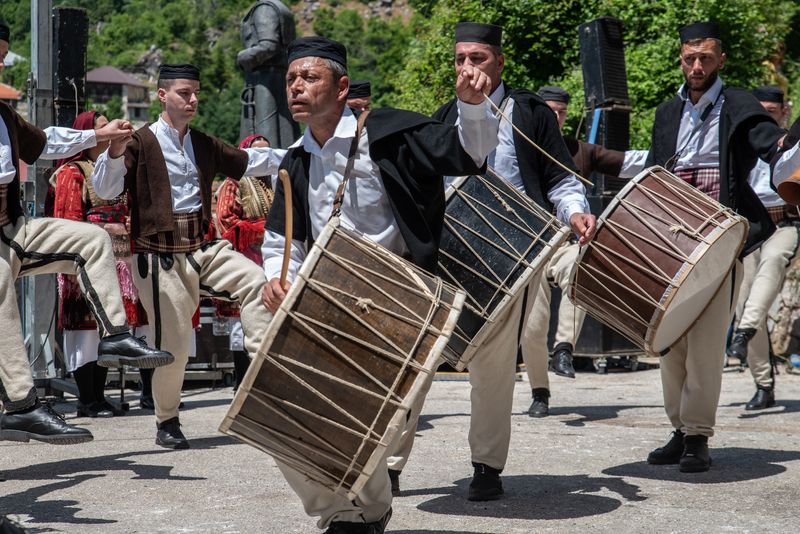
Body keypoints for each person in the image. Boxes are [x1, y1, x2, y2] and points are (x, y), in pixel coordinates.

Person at [259, 35, 498, 534]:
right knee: (277, 408)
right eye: (290, 79)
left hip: (400, 300)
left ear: (342, 87)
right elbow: (284, 239)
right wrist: (277, 280)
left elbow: (466, 155)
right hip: (326, 303)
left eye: (310, 77)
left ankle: (364, 511)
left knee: (378, 426)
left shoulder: (391, 134)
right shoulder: (294, 162)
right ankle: (347, 513)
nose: (296, 87)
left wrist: (472, 107)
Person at [386, 22, 596, 502]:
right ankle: (391, 465)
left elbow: (560, 179)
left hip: (516, 252)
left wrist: (577, 211)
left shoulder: (531, 113)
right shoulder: (443, 116)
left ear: (500, 62)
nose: (467, 68)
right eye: (460, 59)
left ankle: (486, 466)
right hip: (454, 251)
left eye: (477, 58)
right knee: (419, 360)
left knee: (495, 368)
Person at [0, 23, 173, 445]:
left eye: (3, 54)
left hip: (10, 228)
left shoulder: (2, 113)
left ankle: (115, 338)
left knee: (89, 240)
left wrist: (98, 136)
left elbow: (44, 142)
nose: (0, 62)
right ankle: (22, 405)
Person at [91, 63, 279, 450]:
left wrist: (302, 151)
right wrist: (114, 150)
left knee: (256, 282)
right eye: (183, 93)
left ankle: (262, 384)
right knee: (173, 345)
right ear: (162, 95)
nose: (192, 99)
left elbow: (251, 162)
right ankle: (167, 420)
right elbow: (107, 189)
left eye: (195, 92)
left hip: (203, 248)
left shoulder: (204, 143)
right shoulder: (139, 142)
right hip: (159, 257)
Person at [643, 22, 794, 473]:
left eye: (705, 58)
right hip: (672, 234)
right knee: (669, 340)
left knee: (707, 341)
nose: (696, 66)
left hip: (720, 236)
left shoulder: (740, 104)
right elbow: (655, 173)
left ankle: (697, 437)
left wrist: (786, 143)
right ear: (680, 58)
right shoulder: (667, 112)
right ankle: (679, 428)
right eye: (690, 58)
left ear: (720, 60)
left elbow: (768, 144)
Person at [521, 85, 642, 417]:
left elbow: (629, 162)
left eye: (559, 112)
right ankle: (539, 391)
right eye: (548, 112)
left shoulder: (580, 151)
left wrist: (673, 149)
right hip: (529, 248)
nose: (554, 118)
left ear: (565, 115)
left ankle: (563, 348)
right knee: (532, 324)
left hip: (565, 244)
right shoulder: (521, 149)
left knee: (582, 267)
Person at [51, 111, 147, 418]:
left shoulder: (116, 170)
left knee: (107, 329)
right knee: (85, 331)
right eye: (101, 124)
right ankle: (87, 398)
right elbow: (67, 221)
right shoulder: (71, 171)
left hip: (117, 262)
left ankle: (99, 397)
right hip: (85, 262)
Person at [728, 86, 797, 410]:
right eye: (761, 110)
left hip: (783, 223)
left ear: (783, 112)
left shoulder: (791, 146)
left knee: (772, 264)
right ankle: (763, 384)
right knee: (742, 300)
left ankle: (742, 333)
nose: (766, 116)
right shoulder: (737, 145)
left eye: (772, 110)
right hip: (748, 227)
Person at [211, 134, 281, 389]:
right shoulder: (234, 182)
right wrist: (264, 228)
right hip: (246, 258)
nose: (264, 158)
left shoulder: (278, 182)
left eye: (267, 152)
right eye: (257, 153)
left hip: (275, 258)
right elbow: (227, 221)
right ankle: (243, 381)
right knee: (243, 321)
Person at [238, 0, 300, 147]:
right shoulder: (282, 8)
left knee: (266, 130)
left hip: (264, 82)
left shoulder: (265, 8)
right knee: (283, 129)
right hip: (278, 78)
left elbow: (269, 45)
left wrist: (242, 57)